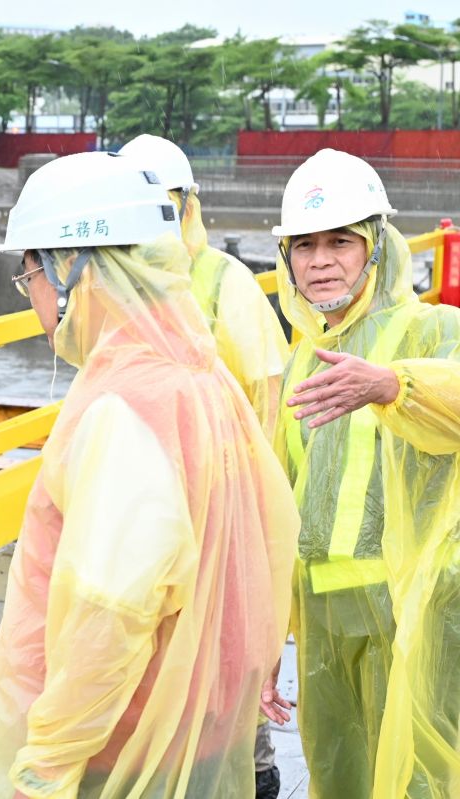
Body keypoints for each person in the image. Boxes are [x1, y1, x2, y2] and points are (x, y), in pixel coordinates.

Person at [0, 151, 297, 798]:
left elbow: (109, 611)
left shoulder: (124, 408)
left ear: (73, 269)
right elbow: (270, 531)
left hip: (120, 751)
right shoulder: (201, 379)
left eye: (30, 272)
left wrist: (45, 768)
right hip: (196, 726)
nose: (30, 293)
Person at [260, 148, 460, 799]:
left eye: (340, 242)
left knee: (422, 779)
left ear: (376, 245)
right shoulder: (300, 362)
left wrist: (393, 385)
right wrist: (267, 641)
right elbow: (282, 509)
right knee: (338, 776)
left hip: (416, 615)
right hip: (324, 620)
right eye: (304, 245)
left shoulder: (430, 330)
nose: (320, 261)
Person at [119, 133, 291, 799]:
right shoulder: (119, 285)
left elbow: (266, 410)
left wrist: (247, 525)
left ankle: (254, 775)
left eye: (164, 205)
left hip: (223, 517)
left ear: (188, 205)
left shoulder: (226, 283)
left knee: (228, 680)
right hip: (148, 522)